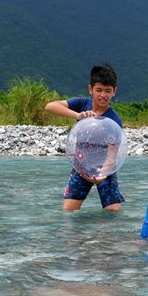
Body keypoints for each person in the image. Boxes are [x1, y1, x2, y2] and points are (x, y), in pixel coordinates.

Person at [45, 63, 124, 211]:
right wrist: (78, 116)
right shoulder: (81, 104)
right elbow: (50, 106)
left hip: (105, 171)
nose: (103, 95)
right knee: (68, 212)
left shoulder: (115, 121)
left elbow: (112, 156)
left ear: (114, 91)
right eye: (99, 90)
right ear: (91, 89)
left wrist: (101, 175)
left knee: (114, 213)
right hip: (81, 167)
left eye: (108, 91)